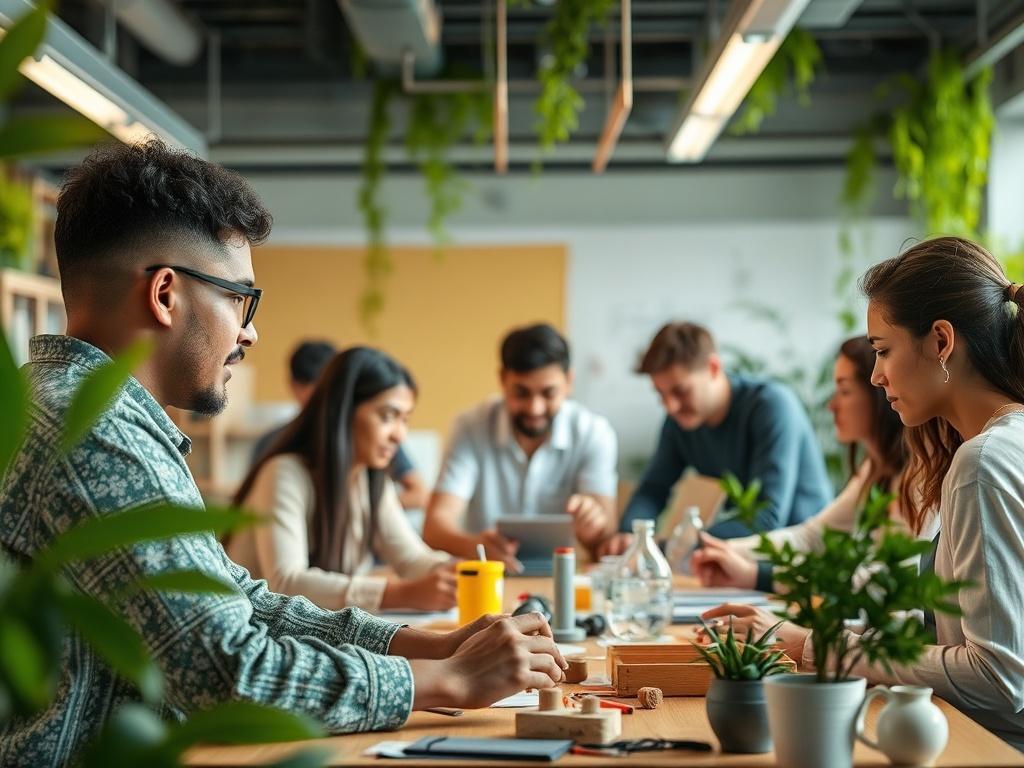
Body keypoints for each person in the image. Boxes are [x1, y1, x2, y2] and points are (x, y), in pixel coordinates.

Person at [0, 140, 565, 764]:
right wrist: (451, 681)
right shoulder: (93, 429)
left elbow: (242, 601)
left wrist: (435, 647)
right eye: (241, 298)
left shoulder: (82, 409)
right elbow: (228, 675)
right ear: (165, 295)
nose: (250, 330)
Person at [702, 236, 1024, 750]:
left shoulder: (981, 463)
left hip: (991, 749)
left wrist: (821, 647)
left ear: (941, 341)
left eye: (883, 350)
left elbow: (999, 678)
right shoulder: (990, 449)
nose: (876, 375)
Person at [691, 336, 938, 591]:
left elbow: (877, 582)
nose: (831, 406)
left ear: (879, 395)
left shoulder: (918, 475)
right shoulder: (874, 469)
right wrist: (724, 550)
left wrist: (758, 575)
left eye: (844, 391)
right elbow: (812, 537)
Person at [230, 347, 456, 613]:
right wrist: (399, 593)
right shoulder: (284, 473)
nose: (400, 435)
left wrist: (455, 570)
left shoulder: (371, 479)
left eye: (404, 420)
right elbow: (286, 581)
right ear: (344, 411)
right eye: (387, 416)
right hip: (257, 630)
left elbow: (410, 557)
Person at [600, 322, 833, 555]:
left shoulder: (772, 406)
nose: (670, 406)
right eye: (661, 394)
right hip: (750, 558)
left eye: (681, 391)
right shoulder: (680, 423)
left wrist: (674, 545)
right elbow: (653, 489)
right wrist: (631, 535)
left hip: (806, 557)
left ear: (713, 367)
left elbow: (766, 517)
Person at [423, 323, 618, 571]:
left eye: (548, 393)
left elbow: (606, 540)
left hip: (564, 579)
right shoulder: (470, 427)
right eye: (521, 393)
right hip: (489, 579)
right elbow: (435, 527)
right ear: (503, 380)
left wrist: (594, 528)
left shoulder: (594, 433)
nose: (535, 408)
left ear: (569, 381)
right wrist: (476, 547)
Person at [252, 339, 429, 510]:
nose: (317, 398)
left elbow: (419, 493)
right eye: (386, 416)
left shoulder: (372, 463)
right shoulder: (281, 465)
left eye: (405, 419)